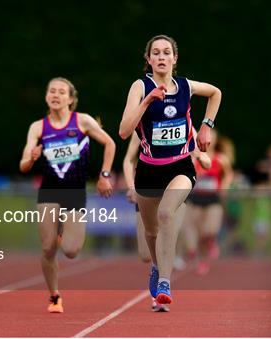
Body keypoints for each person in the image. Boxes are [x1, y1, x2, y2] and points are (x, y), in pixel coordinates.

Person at [119, 34, 221, 306]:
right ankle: (156, 266)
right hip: (149, 172)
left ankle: (165, 281)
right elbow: (124, 130)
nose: (162, 57)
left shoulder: (186, 86)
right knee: (151, 232)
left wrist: (206, 125)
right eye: (156, 53)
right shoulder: (140, 86)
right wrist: (146, 101)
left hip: (181, 167)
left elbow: (215, 93)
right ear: (149, 59)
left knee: (167, 213)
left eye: (167, 53)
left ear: (175, 59)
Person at [20, 77, 115, 313]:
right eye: (51, 91)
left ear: (70, 99)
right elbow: (23, 165)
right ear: (46, 97)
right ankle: (54, 295)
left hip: (75, 190)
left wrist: (104, 175)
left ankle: (62, 232)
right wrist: (31, 158)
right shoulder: (38, 127)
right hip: (49, 190)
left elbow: (110, 144)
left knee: (71, 251)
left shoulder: (82, 121)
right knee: (47, 248)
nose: (56, 95)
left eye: (61, 92)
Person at [186, 130, 232, 274]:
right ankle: (202, 260)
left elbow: (228, 174)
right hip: (197, 197)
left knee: (209, 230)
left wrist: (224, 187)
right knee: (199, 234)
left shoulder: (220, 159)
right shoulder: (195, 158)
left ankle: (212, 242)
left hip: (213, 198)